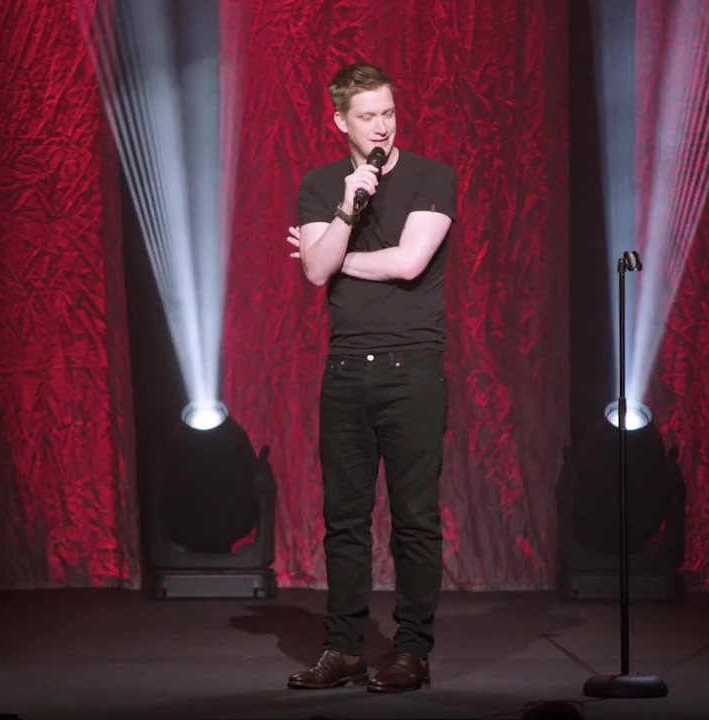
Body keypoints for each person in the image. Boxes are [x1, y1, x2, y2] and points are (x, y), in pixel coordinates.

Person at [282, 62, 457, 693]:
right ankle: (344, 647)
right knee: (345, 519)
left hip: (413, 369)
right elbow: (314, 274)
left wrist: (333, 253)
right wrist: (347, 207)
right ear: (341, 122)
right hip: (347, 369)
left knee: (414, 518)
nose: (381, 127)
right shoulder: (322, 184)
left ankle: (412, 649)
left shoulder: (432, 177)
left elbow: (408, 263)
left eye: (388, 113)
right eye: (367, 116)